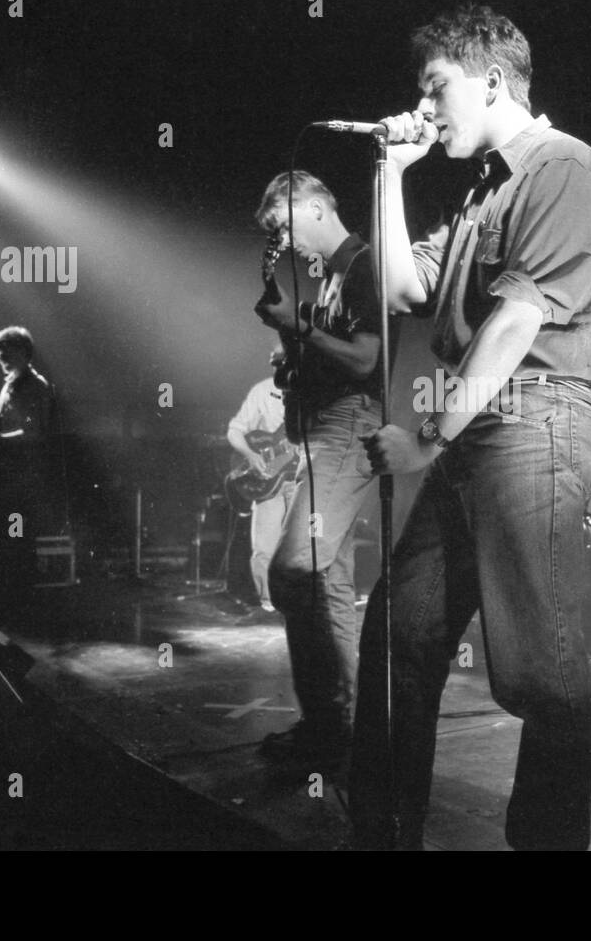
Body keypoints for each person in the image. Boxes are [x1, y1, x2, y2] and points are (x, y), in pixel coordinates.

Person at [352, 5, 591, 850]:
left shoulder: (564, 166)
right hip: (473, 434)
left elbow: (511, 327)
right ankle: (382, 835)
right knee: (398, 635)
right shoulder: (478, 194)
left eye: (437, 86)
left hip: (534, 422)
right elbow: (399, 289)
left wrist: (427, 439)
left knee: (539, 666)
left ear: (494, 79)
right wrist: (390, 174)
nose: (426, 106)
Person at [251, 170, 387, 773]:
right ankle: (349, 732)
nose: (285, 241)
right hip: (320, 432)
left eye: (283, 224)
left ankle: (329, 727)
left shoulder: (362, 263)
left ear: (311, 204)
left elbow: (364, 360)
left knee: (294, 570)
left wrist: (294, 323)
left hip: (347, 428)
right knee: (328, 589)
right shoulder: (329, 278)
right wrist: (293, 357)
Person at [0, 325, 56, 605]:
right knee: (8, 538)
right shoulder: (10, 384)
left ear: (23, 353)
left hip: (24, 476)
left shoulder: (35, 387)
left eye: (5, 353)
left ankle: (23, 598)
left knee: (20, 538)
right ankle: (13, 594)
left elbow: (33, 432)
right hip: (9, 473)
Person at [225, 353, 298, 612]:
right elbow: (235, 430)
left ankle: (298, 602)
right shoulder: (262, 391)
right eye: (278, 364)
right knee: (264, 548)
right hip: (269, 481)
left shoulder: (312, 390)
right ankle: (269, 601)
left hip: (301, 478)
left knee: (303, 546)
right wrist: (251, 455)